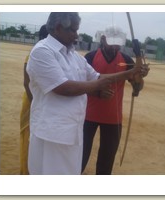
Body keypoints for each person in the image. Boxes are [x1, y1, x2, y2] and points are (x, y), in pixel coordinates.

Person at [26, 12, 148, 175]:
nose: (77, 36)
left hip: (74, 129)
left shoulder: (73, 56)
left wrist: (131, 73)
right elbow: (63, 87)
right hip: (52, 133)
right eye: (73, 31)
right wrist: (97, 87)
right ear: (57, 28)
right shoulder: (42, 51)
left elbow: (97, 77)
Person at [81, 27, 149, 175]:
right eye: (112, 43)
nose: (115, 47)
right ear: (103, 39)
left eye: (118, 44)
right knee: (79, 156)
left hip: (113, 118)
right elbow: (79, 86)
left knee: (106, 163)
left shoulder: (126, 60)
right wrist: (97, 92)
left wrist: (140, 77)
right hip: (87, 116)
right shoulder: (90, 57)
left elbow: (137, 87)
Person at [20, 24, 48, 175]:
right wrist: (35, 103)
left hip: (41, 102)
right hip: (32, 101)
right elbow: (26, 83)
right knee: (29, 137)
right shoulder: (33, 54)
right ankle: (26, 172)